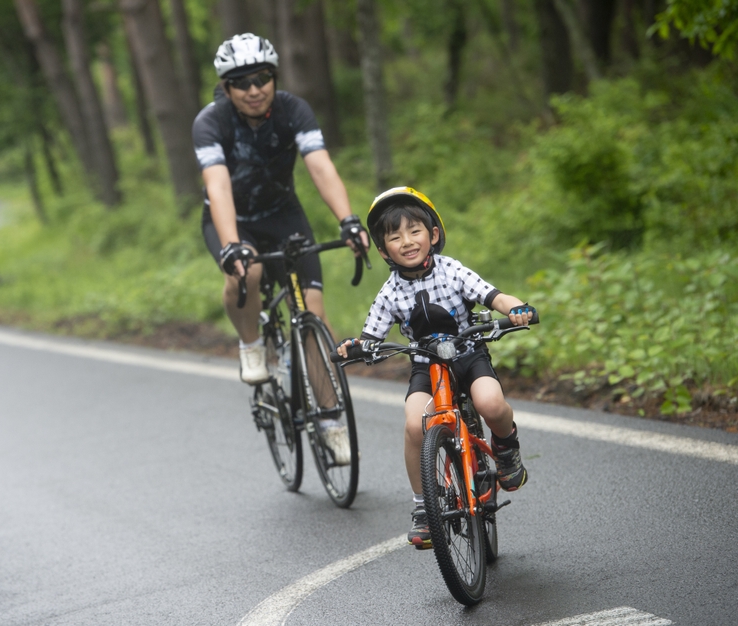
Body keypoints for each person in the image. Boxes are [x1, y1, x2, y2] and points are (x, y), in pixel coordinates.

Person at [193, 33, 369, 462]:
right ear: (227, 87)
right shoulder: (211, 122)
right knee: (246, 272)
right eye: (242, 82)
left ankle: (330, 421)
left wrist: (347, 219)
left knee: (313, 314)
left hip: (284, 216)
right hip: (233, 219)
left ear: (273, 77)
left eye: (262, 78)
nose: (254, 89)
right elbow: (218, 186)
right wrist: (233, 246)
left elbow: (320, 166)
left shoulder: (293, 110)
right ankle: (251, 344)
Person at [335, 186, 534, 548]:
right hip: (426, 366)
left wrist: (517, 309)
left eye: (415, 231)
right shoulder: (390, 292)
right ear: (383, 250)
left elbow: (495, 296)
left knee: (490, 404)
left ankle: (506, 448)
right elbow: (371, 336)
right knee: (414, 425)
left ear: (433, 235)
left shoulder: (452, 270)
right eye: (395, 236)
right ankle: (424, 506)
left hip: (467, 355)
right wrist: (356, 347)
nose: (407, 241)